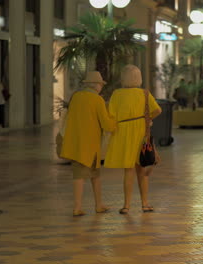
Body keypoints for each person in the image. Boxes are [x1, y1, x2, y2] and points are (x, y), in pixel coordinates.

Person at [104, 65, 162, 214]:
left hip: (123, 132)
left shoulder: (117, 94)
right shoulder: (144, 93)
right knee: (142, 169)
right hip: (141, 131)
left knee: (128, 171)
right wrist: (146, 119)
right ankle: (144, 204)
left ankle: (126, 205)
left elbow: (111, 115)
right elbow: (157, 110)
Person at [60, 71, 117, 216]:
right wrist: (115, 123)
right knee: (91, 176)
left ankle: (97, 205)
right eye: (101, 84)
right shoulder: (97, 100)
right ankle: (79, 207)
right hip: (90, 146)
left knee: (86, 175)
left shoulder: (76, 97)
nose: (101, 87)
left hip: (75, 143)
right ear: (97, 85)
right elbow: (106, 124)